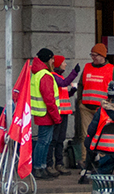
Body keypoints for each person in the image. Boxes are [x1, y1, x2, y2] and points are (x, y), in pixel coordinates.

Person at [15, 48, 61, 179]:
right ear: (47, 59)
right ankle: (39, 167)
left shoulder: (37, 73)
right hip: (47, 114)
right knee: (44, 142)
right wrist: (56, 117)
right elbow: (49, 99)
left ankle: (40, 167)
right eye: (52, 59)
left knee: (43, 141)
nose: (53, 61)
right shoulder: (45, 75)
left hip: (42, 113)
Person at [78, 80, 114, 183]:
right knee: (92, 143)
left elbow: (91, 130)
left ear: (109, 96)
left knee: (89, 140)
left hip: (101, 145)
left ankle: (89, 168)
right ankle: (96, 166)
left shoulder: (102, 110)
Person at [76, 44, 114, 170]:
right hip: (86, 108)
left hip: (102, 110)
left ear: (103, 56)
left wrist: (111, 106)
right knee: (85, 135)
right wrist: (80, 102)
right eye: (91, 55)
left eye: (95, 55)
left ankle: (101, 160)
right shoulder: (87, 67)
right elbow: (81, 84)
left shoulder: (111, 69)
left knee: (102, 135)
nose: (93, 58)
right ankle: (85, 161)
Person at [46, 54, 78, 174]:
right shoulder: (54, 76)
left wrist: (72, 92)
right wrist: (74, 72)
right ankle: (51, 164)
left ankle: (58, 164)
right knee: (54, 139)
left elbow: (63, 94)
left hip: (63, 113)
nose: (65, 64)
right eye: (63, 62)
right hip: (57, 113)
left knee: (60, 139)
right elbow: (63, 83)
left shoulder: (58, 77)